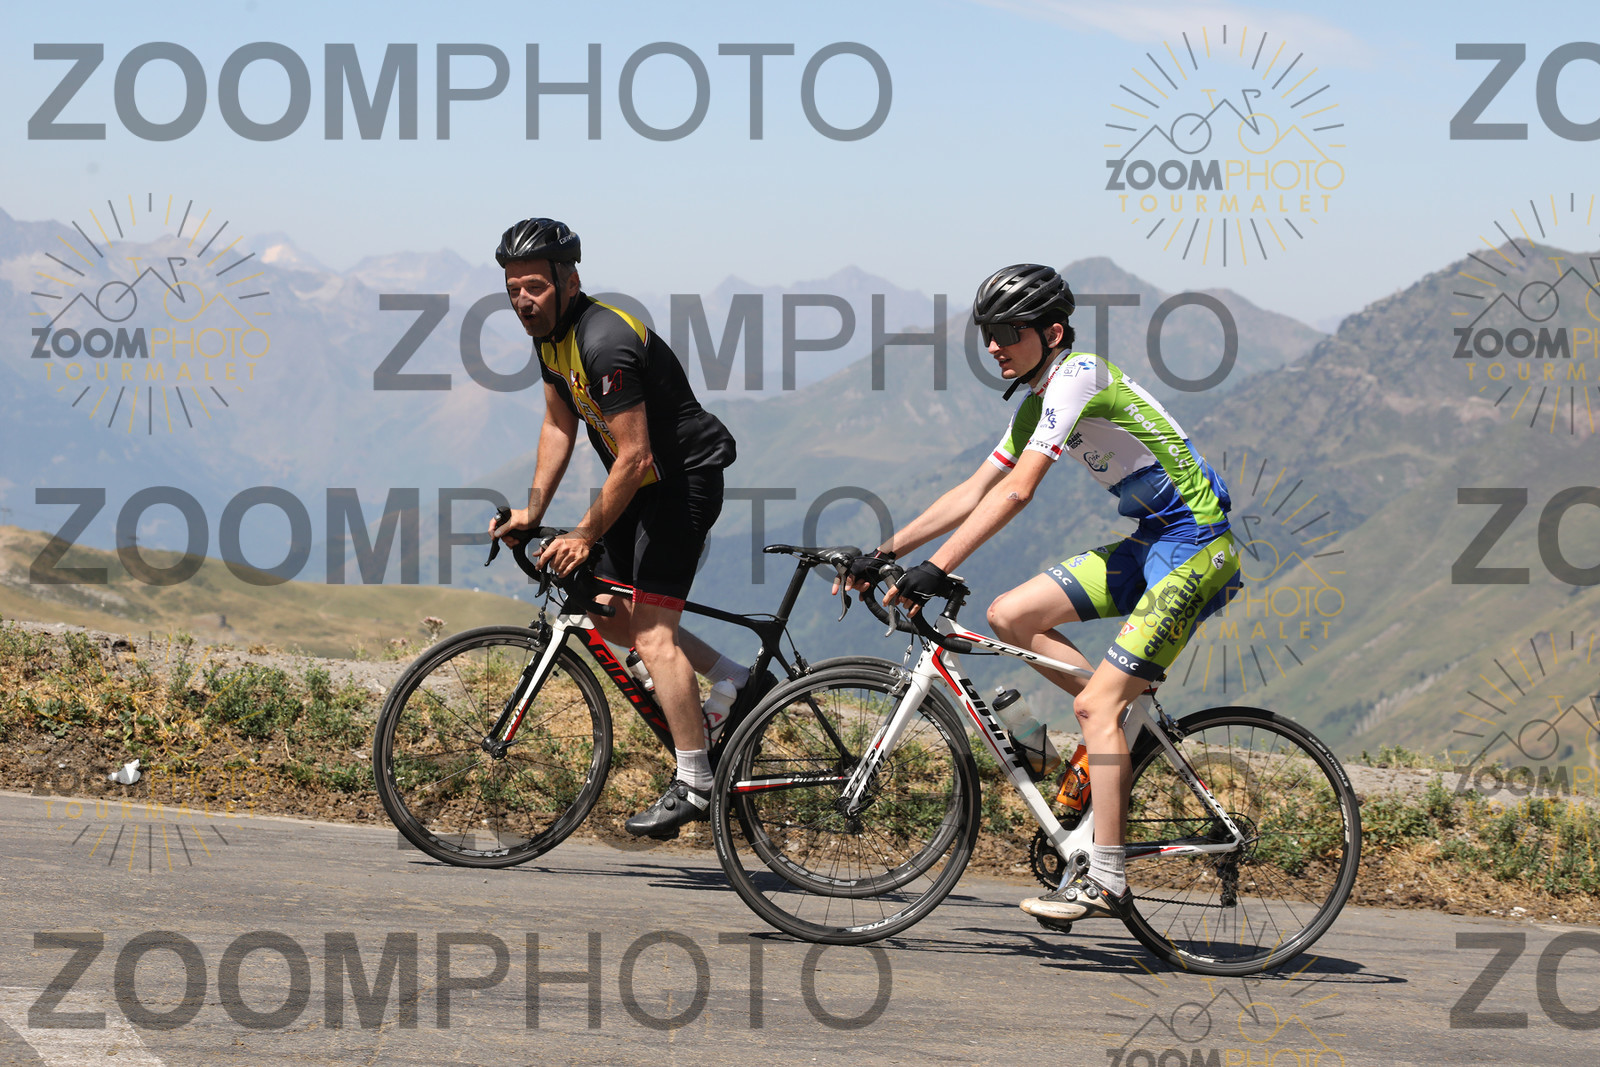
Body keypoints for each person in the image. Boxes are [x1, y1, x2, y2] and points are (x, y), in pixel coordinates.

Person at [844, 263, 1241, 921]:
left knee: (1094, 707)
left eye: (1009, 332)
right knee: (1011, 614)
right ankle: (1114, 732)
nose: (994, 345)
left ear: (1052, 332)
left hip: (1197, 548)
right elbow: (975, 489)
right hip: (1153, 541)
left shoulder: (1078, 374)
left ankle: (1108, 879)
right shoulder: (1035, 402)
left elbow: (1018, 491)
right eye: (987, 333)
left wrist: (937, 566)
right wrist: (887, 552)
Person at [487, 217, 757, 839]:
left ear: (569, 280)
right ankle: (735, 681)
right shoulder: (550, 339)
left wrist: (582, 534)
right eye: (512, 289)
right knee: (603, 605)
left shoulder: (604, 340)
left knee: (654, 636)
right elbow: (559, 425)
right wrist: (532, 511)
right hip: (642, 484)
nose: (522, 301)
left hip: (682, 482)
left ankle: (695, 781)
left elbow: (634, 456)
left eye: (534, 286)